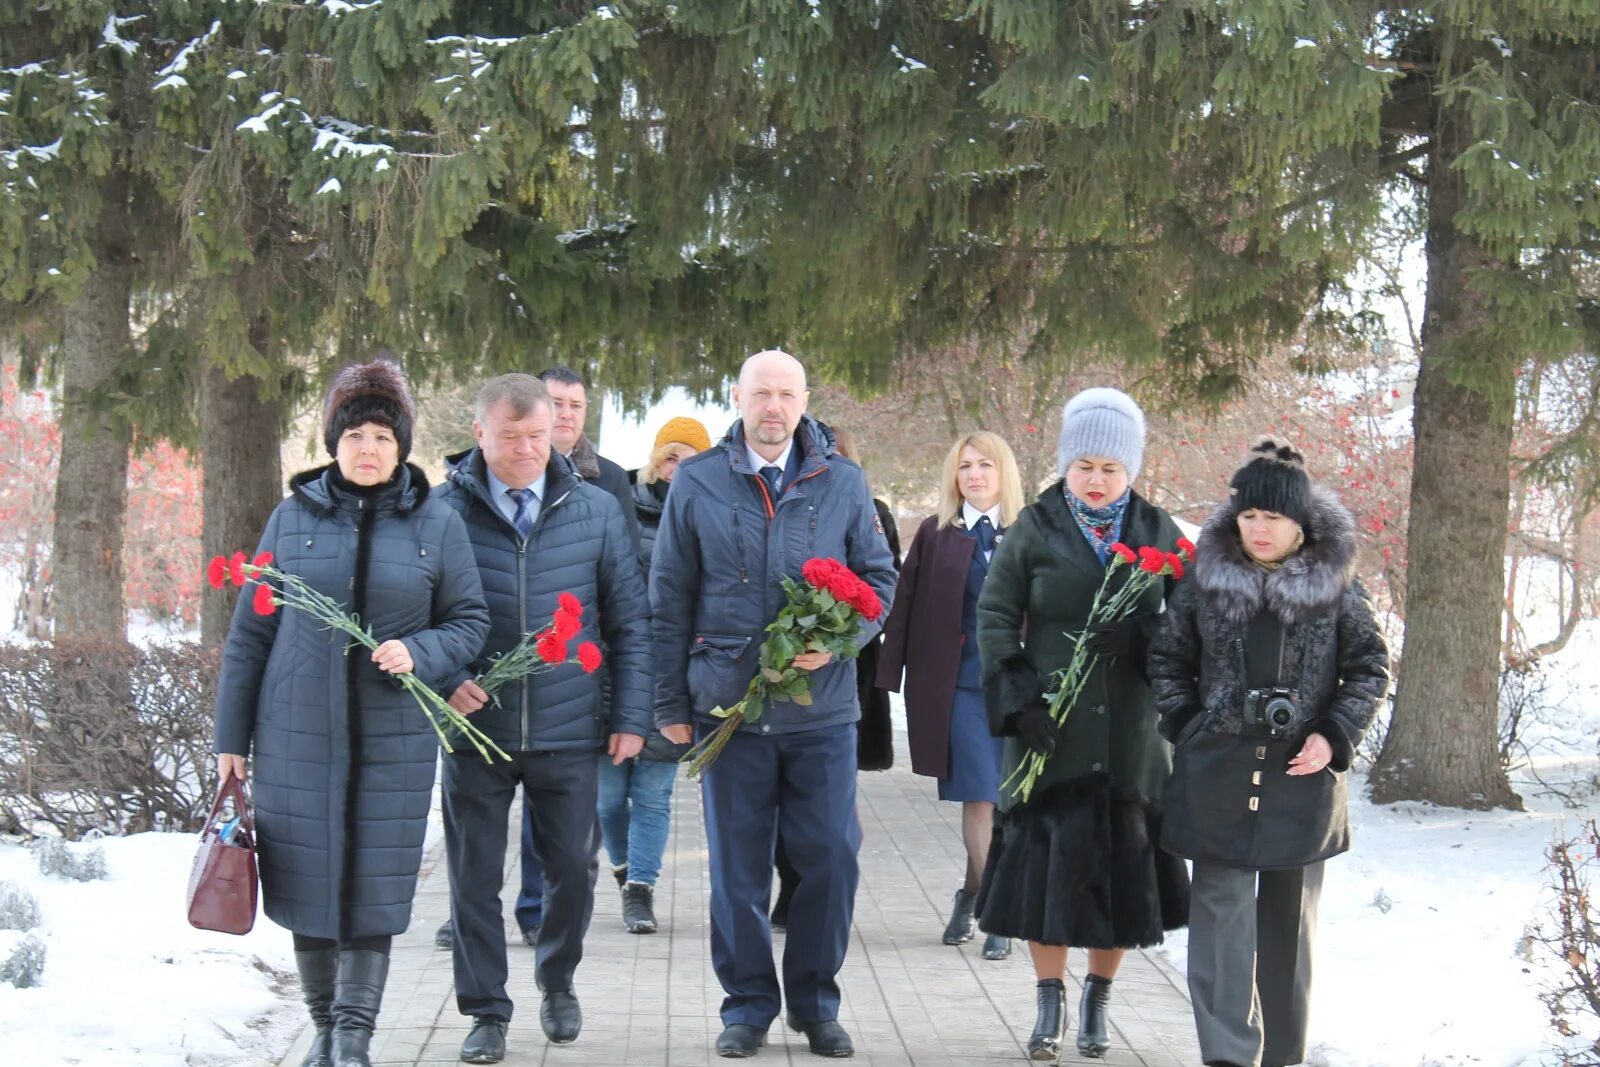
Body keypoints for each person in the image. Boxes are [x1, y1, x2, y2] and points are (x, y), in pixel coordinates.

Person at [213, 359, 490, 1067]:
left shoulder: (436, 520)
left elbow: (467, 620)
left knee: (372, 885)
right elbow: (251, 633)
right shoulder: (292, 517)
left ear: (402, 447)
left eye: (383, 436)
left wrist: (420, 651)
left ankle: (355, 1039)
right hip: (296, 733)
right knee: (305, 882)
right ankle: (325, 1030)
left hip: (392, 738)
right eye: (356, 434)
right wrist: (230, 738)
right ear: (334, 441)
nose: (369, 448)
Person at [651, 350, 897, 1059]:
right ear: (737, 397)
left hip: (821, 712)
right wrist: (669, 701)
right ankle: (748, 1004)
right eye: (761, 393)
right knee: (737, 866)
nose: (773, 406)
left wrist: (843, 638)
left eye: (786, 394)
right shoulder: (698, 482)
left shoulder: (842, 481)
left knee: (832, 855)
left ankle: (817, 1002)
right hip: (730, 711)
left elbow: (879, 580)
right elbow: (667, 597)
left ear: (803, 400)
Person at [1148, 438, 1389, 1067]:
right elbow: (1168, 659)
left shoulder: (1336, 585)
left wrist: (1333, 733)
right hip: (1217, 773)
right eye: (1249, 515)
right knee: (1222, 929)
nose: (1260, 528)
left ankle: (1283, 1056)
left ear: (1300, 523)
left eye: (1274, 517)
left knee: (1288, 930)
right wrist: (1189, 725)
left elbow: (1369, 667)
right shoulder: (1203, 580)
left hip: (1301, 779)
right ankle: (1228, 1056)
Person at [436, 373, 652, 1063]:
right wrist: (447, 677)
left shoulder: (593, 509)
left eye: (537, 435)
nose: (527, 449)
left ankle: (557, 978)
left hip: (568, 727)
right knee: (473, 877)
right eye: (511, 436)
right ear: (480, 434)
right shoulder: (443, 513)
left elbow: (629, 621)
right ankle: (486, 1011)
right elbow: (415, 616)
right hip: (476, 731)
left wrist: (631, 714)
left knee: (572, 868)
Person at [975, 387, 1190, 1061]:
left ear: (1131, 470)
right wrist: (1020, 701)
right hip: (1051, 734)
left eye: (1111, 468)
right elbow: (995, 616)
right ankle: (1049, 1001)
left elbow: (1194, 626)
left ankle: (1098, 1001)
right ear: (1068, 463)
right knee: (1049, 874)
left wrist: (1143, 638)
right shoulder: (1034, 528)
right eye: (1086, 465)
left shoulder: (1160, 533)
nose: (1097, 480)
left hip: (1130, 738)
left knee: (1121, 876)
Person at [876, 431, 1022, 963]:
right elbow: (906, 604)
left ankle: (970, 894)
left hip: (1019, 691)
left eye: (986, 465)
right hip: (958, 685)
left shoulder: (1031, 531)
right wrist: (888, 676)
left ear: (1004, 471)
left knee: (1011, 801)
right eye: (965, 467)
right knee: (980, 795)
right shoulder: (938, 534)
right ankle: (998, 911)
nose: (976, 475)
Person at [768, 426, 901, 932]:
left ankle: (821, 886)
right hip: (796, 659)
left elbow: (881, 582)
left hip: (851, 664)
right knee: (788, 800)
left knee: (833, 807)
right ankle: (792, 886)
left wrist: (844, 635)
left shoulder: (871, 508)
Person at [587, 415, 711, 936]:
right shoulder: (618, 505)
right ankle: (622, 868)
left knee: (654, 794)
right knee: (607, 796)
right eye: (670, 453)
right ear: (656, 457)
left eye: (689, 457)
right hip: (615, 667)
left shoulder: (708, 517)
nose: (676, 464)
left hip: (671, 673)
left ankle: (641, 888)